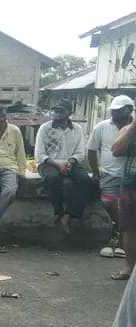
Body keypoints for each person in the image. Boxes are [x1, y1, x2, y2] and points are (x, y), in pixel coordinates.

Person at [90, 95, 133, 277]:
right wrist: (96, 172)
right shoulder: (103, 127)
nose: (115, 114)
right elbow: (96, 151)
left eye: (119, 111)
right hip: (114, 175)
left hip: (127, 174)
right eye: (113, 111)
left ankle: (117, 236)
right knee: (111, 206)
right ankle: (118, 234)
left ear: (129, 110)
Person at [35, 99, 92, 234]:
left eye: (61, 111)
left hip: (71, 162)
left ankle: (69, 215)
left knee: (85, 180)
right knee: (53, 179)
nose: (57, 113)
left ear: (69, 113)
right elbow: (39, 154)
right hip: (49, 163)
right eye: (55, 111)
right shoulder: (45, 128)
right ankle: (58, 212)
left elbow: (80, 152)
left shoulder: (77, 129)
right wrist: (57, 164)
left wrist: (70, 162)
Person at [112, 97, 136, 282]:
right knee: (128, 227)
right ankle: (129, 267)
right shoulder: (128, 129)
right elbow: (116, 150)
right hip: (130, 185)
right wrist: (134, 126)